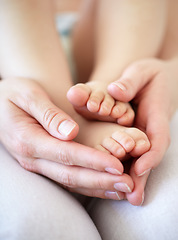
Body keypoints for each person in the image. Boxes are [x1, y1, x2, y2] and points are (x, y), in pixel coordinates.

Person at [0, 1, 178, 240]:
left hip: (95, 45)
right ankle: (66, 112)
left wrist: (172, 71)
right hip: (30, 69)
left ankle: (110, 86)